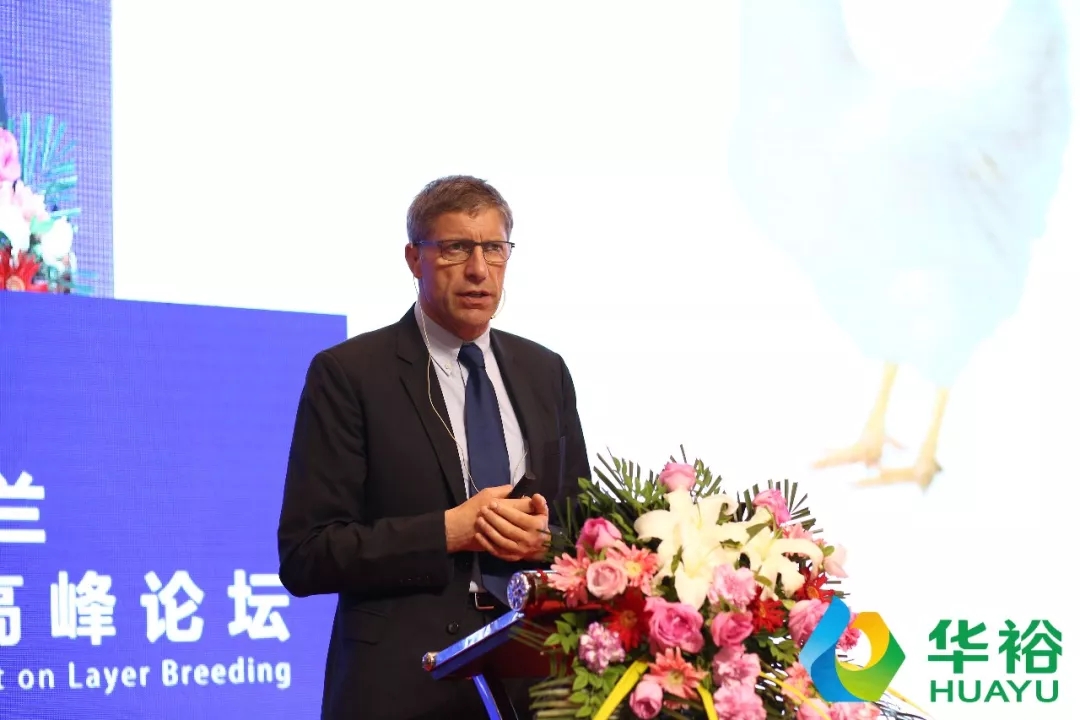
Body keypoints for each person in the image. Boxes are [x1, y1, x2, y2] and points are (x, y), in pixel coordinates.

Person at [276, 175, 591, 719]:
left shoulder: (545, 371)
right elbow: (308, 554)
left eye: (494, 249)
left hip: (538, 684)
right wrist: (448, 531)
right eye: (455, 248)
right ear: (413, 259)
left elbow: (584, 526)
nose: (479, 269)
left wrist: (547, 540)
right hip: (403, 687)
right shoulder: (350, 374)